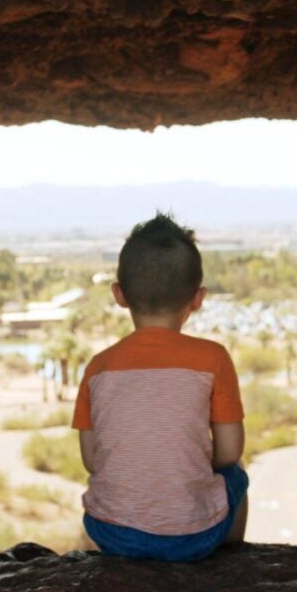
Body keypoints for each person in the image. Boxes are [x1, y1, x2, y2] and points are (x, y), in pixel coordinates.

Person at [73, 212, 248, 561]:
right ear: (197, 299)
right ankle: (231, 557)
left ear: (119, 295)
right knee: (237, 475)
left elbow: (92, 460)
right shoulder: (213, 359)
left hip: (111, 533)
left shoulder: (99, 366)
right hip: (194, 537)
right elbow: (229, 452)